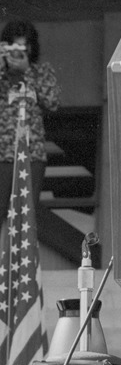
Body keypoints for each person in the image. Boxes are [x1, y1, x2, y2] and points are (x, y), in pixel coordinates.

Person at [0, 20, 61, 223]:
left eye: (23, 47)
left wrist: (27, 72)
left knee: (26, 217)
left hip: (32, 154)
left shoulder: (42, 71)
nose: (17, 53)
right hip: (2, 154)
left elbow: (52, 102)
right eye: (13, 46)